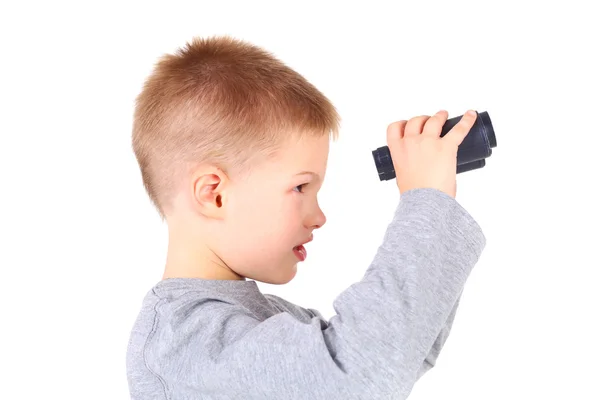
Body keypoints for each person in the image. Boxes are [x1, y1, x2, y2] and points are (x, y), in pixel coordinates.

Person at [125, 35, 486, 400]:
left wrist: (437, 199)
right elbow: (355, 376)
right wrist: (426, 202)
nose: (319, 217)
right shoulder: (182, 341)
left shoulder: (262, 317)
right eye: (300, 188)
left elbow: (403, 353)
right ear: (214, 194)